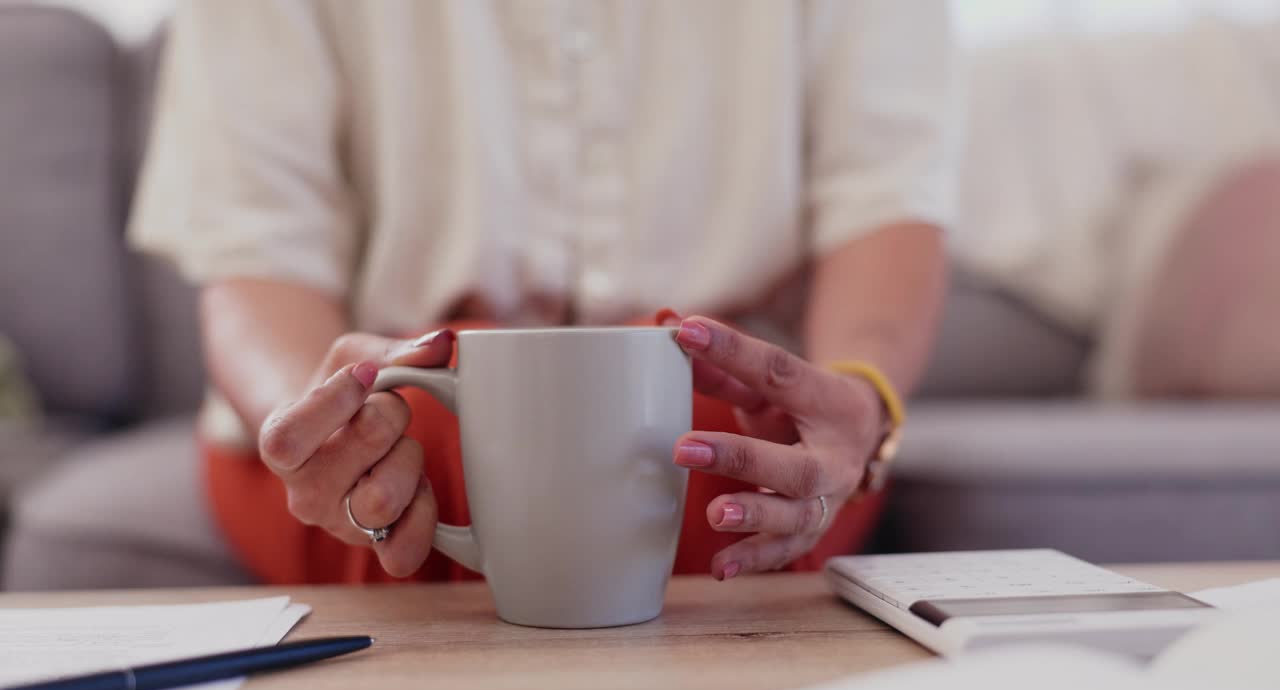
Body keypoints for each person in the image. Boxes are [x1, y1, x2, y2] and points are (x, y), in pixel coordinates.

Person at [130, 0, 956, 584]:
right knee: (433, 464)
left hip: (740, 426)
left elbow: (887, 196)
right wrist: (320, 435)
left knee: (696, 455)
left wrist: (857, 401)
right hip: (390, 414)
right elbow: (253, 245)